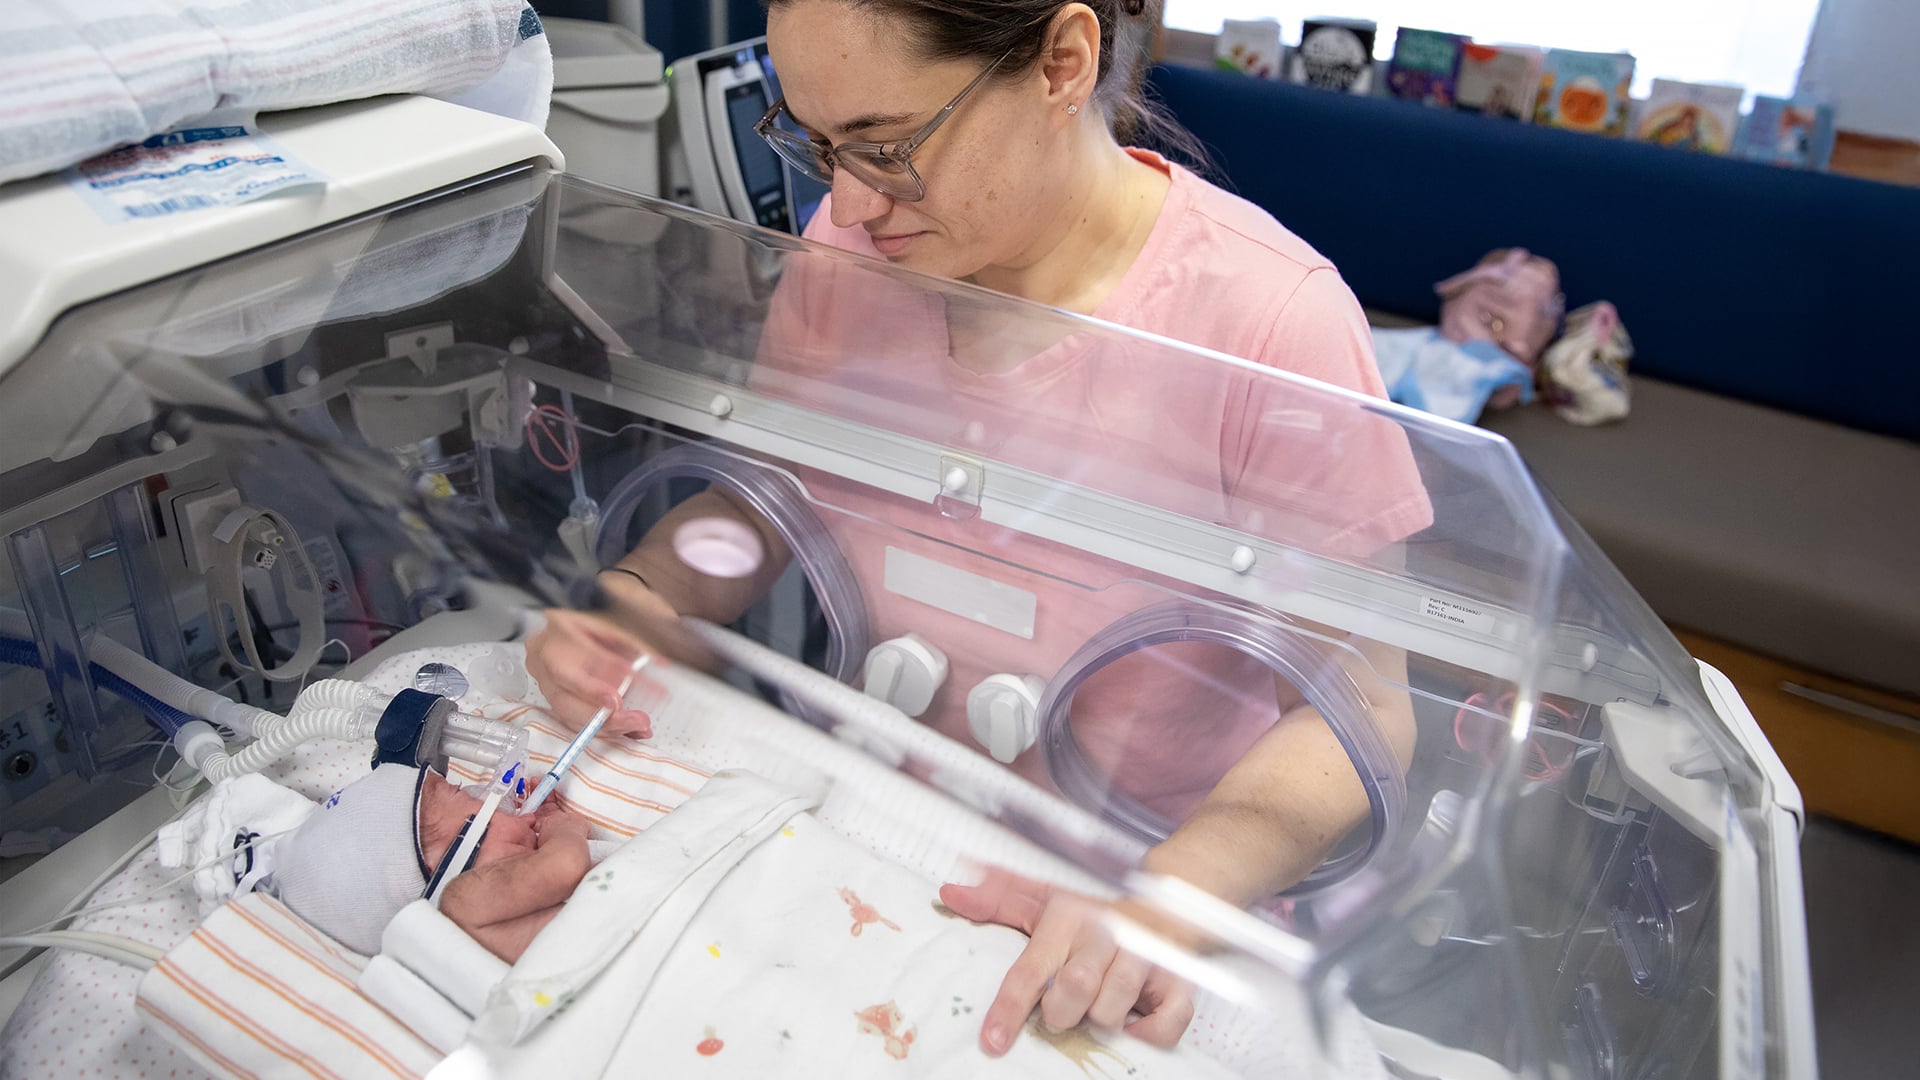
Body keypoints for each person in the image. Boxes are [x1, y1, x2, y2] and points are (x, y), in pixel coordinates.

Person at [526, 0, 1430, 1056]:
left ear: (1061, 62)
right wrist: (645, 596)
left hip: (1147, 881)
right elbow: (763, 504)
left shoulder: (1270, 325)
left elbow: (1358, 717)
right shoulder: (847, 254)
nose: (852, 203)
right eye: (816, 145)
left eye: (888, 146)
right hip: (889, 832)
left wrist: (1165, 902)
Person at [272, 763, 594, 962]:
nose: (507, 805)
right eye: (469, 797)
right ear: (448, 864)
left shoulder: (470, 919)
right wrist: (559, 827)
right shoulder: (461, 903)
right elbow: (564, 865)